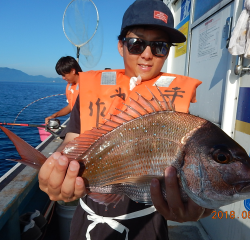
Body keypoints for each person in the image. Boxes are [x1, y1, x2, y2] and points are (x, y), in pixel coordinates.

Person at [38, 0, 213, 239]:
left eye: (160, 46)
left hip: (148, 226)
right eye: (136, 44)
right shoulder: (89, 94)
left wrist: (199, 206)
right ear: (121, 46)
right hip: (88, 221)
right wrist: (58, 175)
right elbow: (72, 143)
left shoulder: (174, 108)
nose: (147, 54)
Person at [45, 56, 82, 124]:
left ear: (73, 71)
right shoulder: (70, 86)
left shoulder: (87, 85)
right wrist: (54, 115)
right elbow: (70, 107)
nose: (63, 78)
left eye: (64, 75)